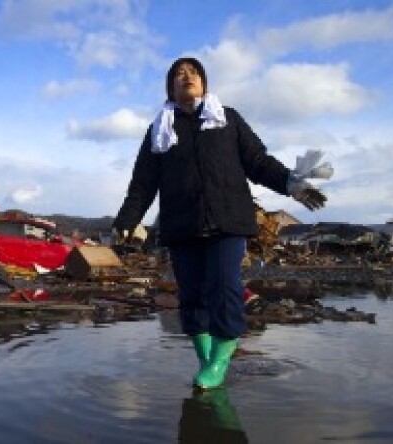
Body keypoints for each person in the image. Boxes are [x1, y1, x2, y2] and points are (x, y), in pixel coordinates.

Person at [113, 57, 328, 389]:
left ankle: (220, 362)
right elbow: (143, 183)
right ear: (170, 87)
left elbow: (256, 161)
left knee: (225, 288)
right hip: (182, 224)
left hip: (228, 219)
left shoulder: (226, 119)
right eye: (180, 74)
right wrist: (127, 219)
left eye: (194, 73)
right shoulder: (159, 130)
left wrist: (289, 183)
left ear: (205, 83)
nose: (188, 77)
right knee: (192, 295)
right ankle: (207, 360)